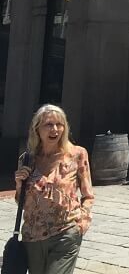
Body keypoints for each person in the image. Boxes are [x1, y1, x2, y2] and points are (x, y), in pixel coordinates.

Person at [13, 104, 95, 274]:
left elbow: (88, 195)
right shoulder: (27, 159)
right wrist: (19, 184)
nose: (55, 129)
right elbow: (20, 201)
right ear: (37, 129)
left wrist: (81, 224)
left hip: (65, 233)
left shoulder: (77, 154)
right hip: (33, 237)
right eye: (49, 124)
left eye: (60, 124)